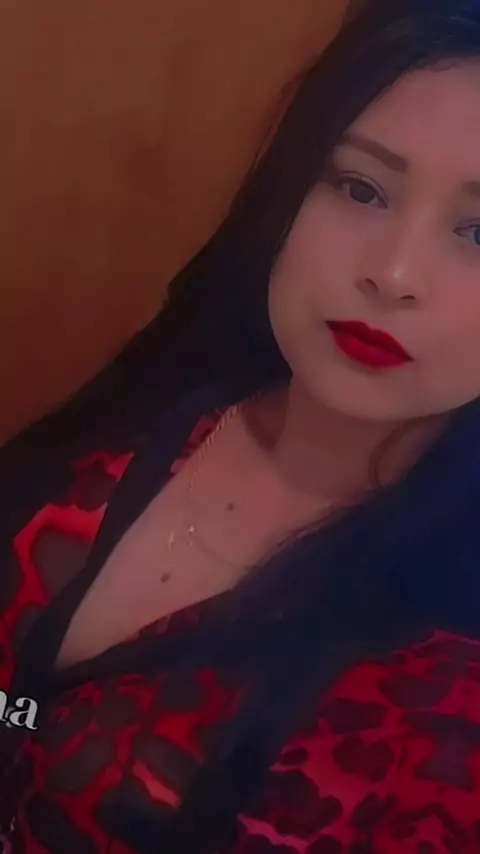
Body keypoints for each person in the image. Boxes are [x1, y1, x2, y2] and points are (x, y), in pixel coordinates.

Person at [3, 0, 480, 851]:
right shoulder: (148, 408)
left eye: (478, 233)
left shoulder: (452, 669)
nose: (394, 273)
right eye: (361, 187)